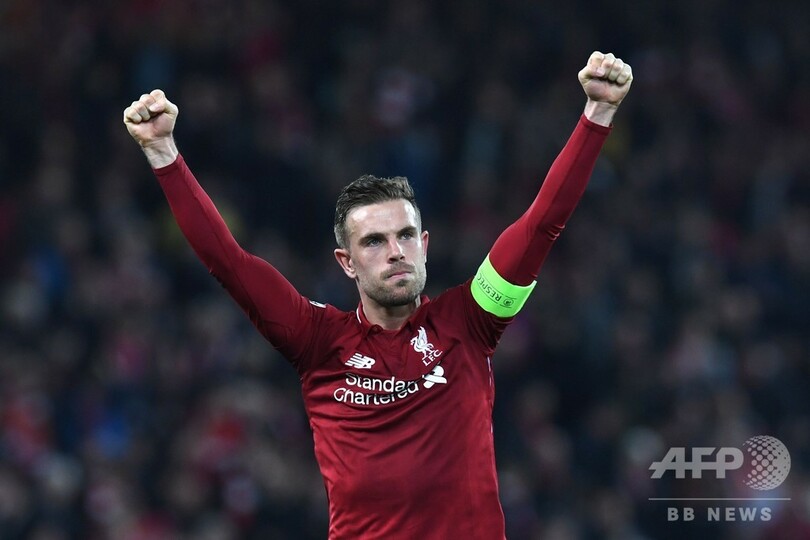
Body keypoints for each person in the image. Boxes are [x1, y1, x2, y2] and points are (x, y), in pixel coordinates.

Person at [123, 50, 633, 539]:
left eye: (405, 236)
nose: (395, 252)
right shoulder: (317, 341)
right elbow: (229, 262)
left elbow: (541, 225)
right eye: (374, 241)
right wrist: (163, 153)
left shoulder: (471, 321)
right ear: (346, 262)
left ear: (424, 245)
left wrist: (598, 113)